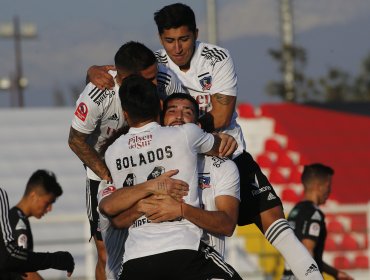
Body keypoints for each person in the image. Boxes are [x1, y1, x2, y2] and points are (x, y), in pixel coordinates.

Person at [87, 3, 323, 279]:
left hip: (224, 153)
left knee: (274, 221)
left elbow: (221, 115)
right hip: (174, 161)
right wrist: (92, 72)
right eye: (169, 41)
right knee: (121, 243)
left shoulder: (216, 57)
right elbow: (125, 83)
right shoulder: (152, 65)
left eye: (184, 39)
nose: (177, 48)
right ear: (160, 38)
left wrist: (187, 130)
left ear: (196, 34)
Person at [101, 74, 242, 280]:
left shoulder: (112, 152)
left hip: (135, 260)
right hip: (182, 250)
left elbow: (111, 213)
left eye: (186, 111)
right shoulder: (186, 134)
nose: (179, 116)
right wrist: (224, 138)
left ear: (125, 114)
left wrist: (146, 202)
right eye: (172, 110)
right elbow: (219, 145)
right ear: (159, 107)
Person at [68, 41, 184, 280]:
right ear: (127, 77)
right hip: (103, 173)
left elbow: (180, 114)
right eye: (150, 79)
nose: (156, 83)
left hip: (148, 163)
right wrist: (107, 174)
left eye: (156, 76)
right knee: (105, 253)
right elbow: (75, 140)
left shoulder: (164, 80)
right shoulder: (96, 95)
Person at [282, 163, 354, 280]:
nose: (329, 191)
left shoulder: (295, 210)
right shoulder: (314, 214)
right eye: (328, 186)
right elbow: (307, 250)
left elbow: (303, 253)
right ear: (318, 186)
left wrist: (335, 273)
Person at [0, 187, 74, 278]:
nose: (50, 209)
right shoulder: (18, 221)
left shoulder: (17, 217)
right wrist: (56, 259)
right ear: (33, 196)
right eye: (48, 202)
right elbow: (11, 258)